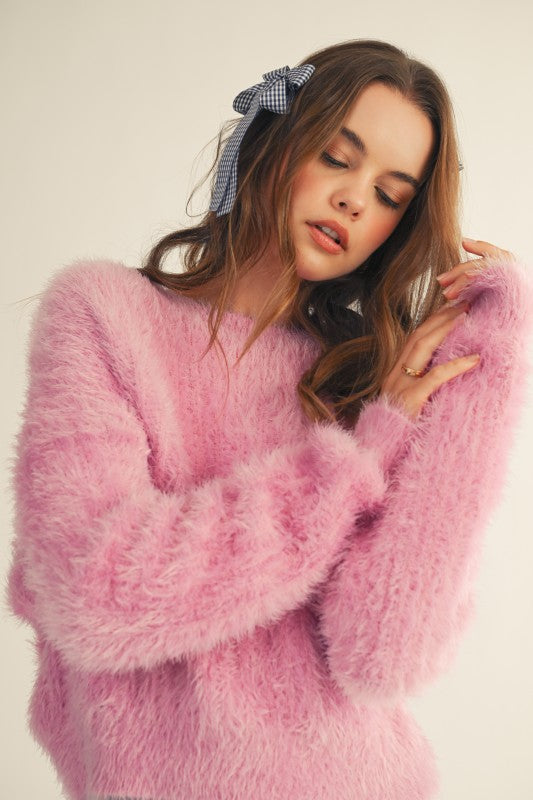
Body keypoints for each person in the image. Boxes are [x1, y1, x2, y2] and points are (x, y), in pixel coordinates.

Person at [5, 38, 532, 800]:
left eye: (389, 195)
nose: (354, 200)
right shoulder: (103, 316)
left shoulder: (364, 382)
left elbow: (386, 655)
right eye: (337, 157)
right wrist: (346, 469)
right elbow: (96, 589)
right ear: (274, 141)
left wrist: (492, 366)